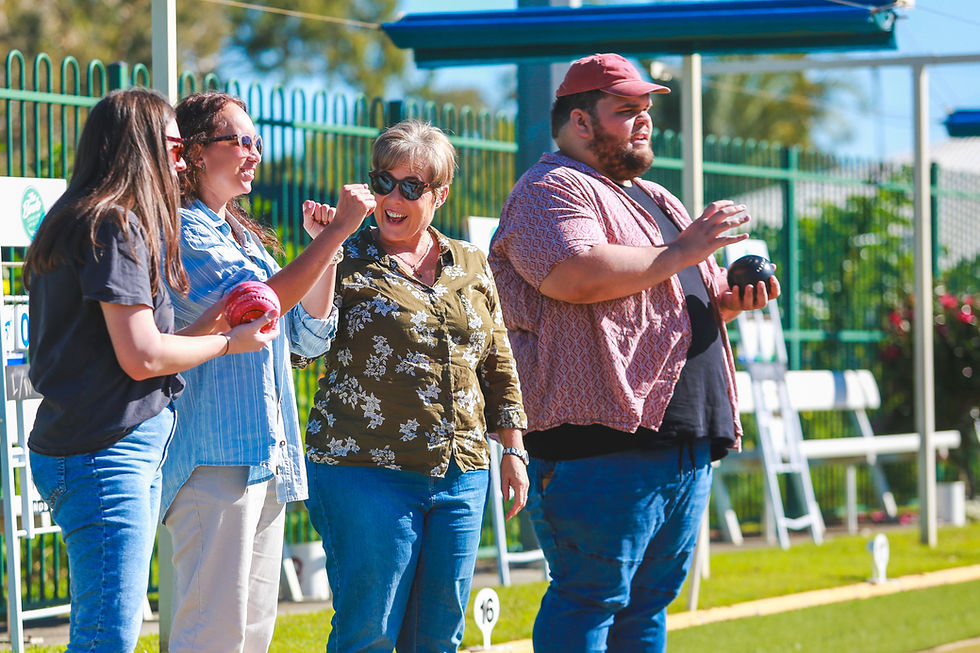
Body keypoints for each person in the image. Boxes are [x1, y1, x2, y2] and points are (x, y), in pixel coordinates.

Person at [489, 53, 781, 653]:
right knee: (590, 599)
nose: (644, 122)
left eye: (646, 111)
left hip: (681, 440)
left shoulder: (655, 196)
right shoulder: (551, 186)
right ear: (579, 121)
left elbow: (663, 301)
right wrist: (687, 247)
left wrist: (726, 302)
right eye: (626, 111)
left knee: (647, 607)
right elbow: (575, 274)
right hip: (599, 443)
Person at [23, 88, 277, 653]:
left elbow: (138, 350)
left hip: (90, 447)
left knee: (107, 629)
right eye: (174, 146)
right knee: (105, 637)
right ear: (140, 147)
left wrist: (212, 328)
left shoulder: (78, 219)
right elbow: (141, 358)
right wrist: (227, 345)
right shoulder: (116, 224)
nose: (182, 161)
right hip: (105, 454)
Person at [300, 119, 528, 652]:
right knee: (370, 633)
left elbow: (496, 359)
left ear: (440, 194)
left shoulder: (471, 261)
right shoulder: (344, 254)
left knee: (440, 635)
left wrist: (514, 449)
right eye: (384, 181)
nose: (392, 197)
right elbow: (300, 347)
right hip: (365, 470)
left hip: (462, 472)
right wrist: (326, 249)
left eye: (411, 186)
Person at [160, 91, 375, 653]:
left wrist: (323, 255)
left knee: (252, 635)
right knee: (211, 635)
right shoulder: (184, 229)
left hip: (263, 454)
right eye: (240, 141)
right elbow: (257, 305)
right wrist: (336, 236)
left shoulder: (244, 238)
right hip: (213, 458)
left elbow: (305, 338)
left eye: (257, 141)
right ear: (197, 153)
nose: (255, 153)